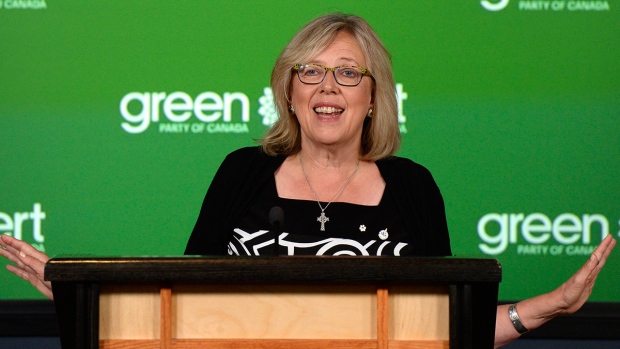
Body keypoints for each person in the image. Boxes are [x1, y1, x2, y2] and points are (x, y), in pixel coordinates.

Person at [1, 13, 616, 348]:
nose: (328, 87)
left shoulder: (413, 187)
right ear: (289, 93)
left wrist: (545, 309)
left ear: (374, 98)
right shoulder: (242, 173)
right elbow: (181, 315)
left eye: (348, 73)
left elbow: (445, 331)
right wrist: (77, 297)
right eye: (311, 72)